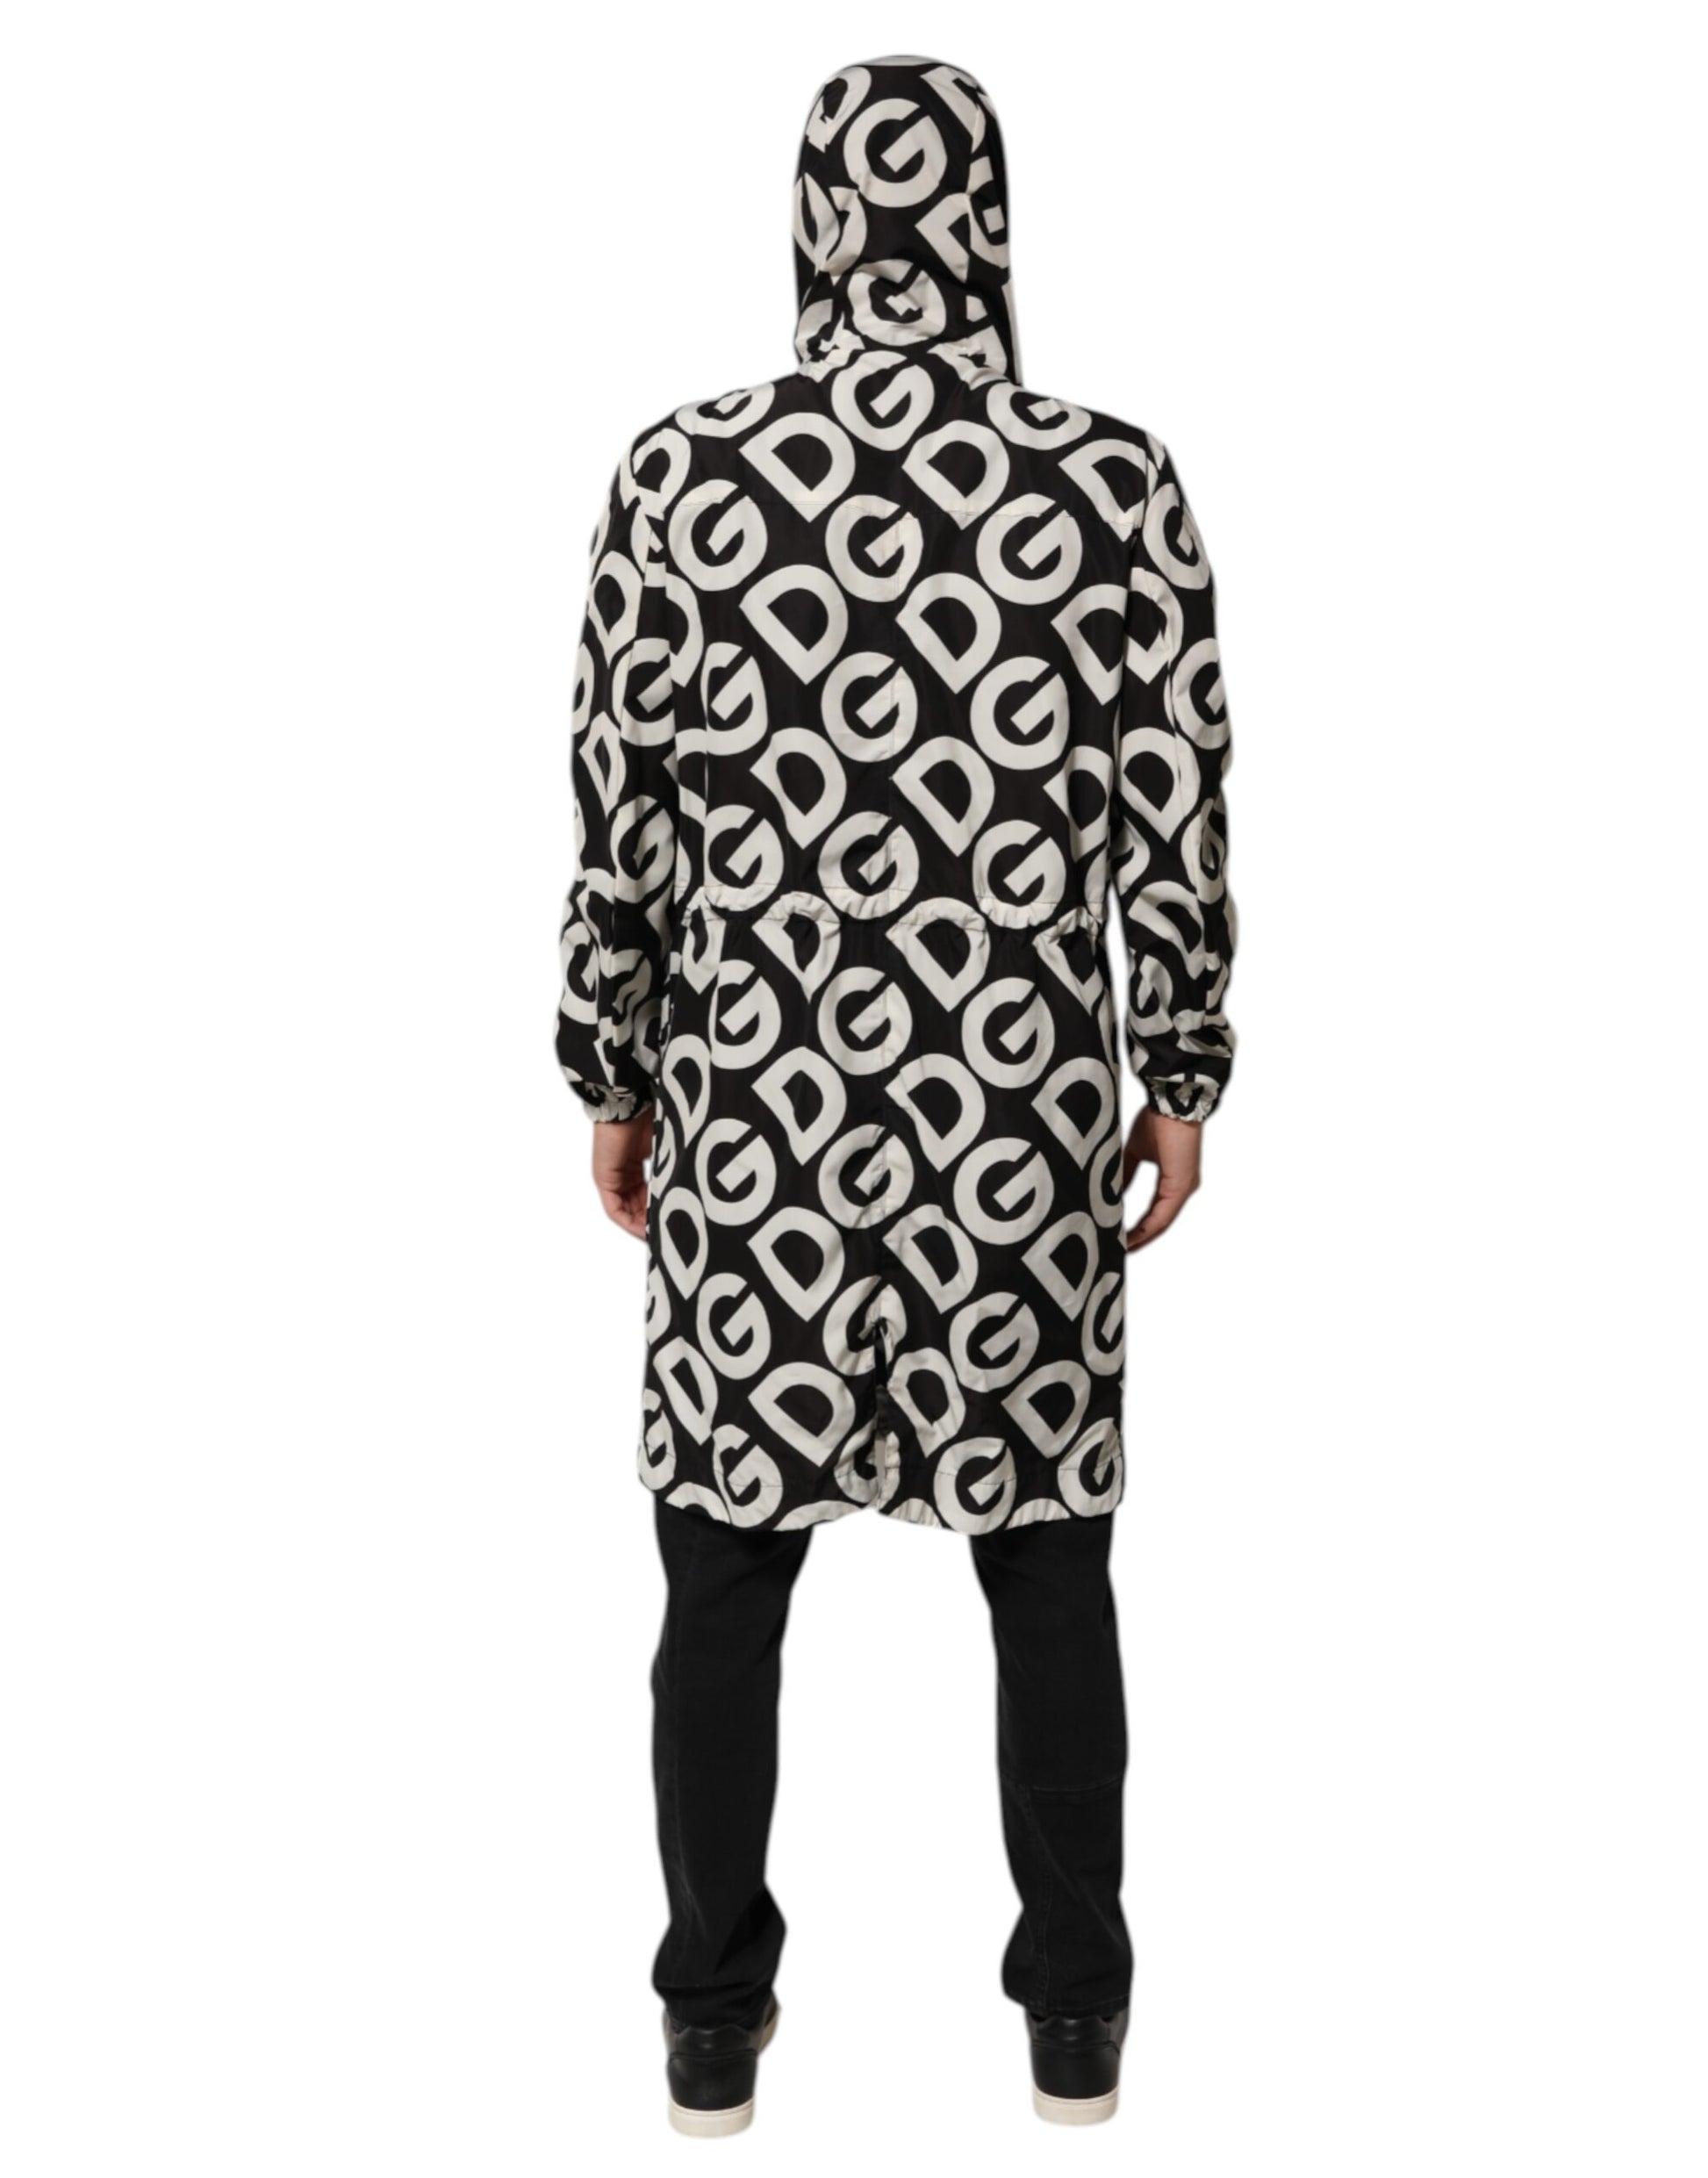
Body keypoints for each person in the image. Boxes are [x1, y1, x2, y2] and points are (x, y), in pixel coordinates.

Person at [555, 54, 1235, 2136]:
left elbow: (622, 805)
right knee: (1046, 1562)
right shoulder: (1107, 486)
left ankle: (709, 2013)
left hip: (759, 1113)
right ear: (988, 224)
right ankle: (1075, 2009)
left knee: (719, 1572)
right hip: (1009, 1112)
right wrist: (1179, 1059)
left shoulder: (684, 478)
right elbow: (1173, 797)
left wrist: (610, 1059)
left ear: (814, 225)